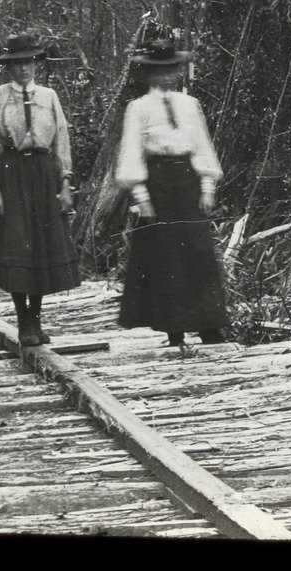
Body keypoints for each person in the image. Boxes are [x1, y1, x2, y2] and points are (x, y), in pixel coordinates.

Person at [116, 31, 228, 347]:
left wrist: (207, 187)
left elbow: (202, 146)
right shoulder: (138, 108)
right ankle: (174, 329)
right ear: (149, 73)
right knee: (165, 256)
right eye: (159, 70)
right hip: (157, 183)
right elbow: (132, 151)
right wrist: (141, 195)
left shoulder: (190, 104)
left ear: (177, 71)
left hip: (188, 179)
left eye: (170, 70)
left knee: (198, 252)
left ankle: (209, 327)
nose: (166, 76)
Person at [0, 34, 81, 346]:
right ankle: (23, 321)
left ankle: (37, 317)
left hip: (45, 174)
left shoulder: (48, 96)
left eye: (29, 62)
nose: (24, 69)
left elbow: (61, 139)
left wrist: (65, 183)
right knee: (19, 245)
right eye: (18, 63)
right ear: (8, 66)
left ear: (36, 64)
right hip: (12, 173)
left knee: (43, 245)